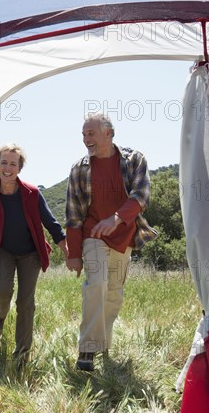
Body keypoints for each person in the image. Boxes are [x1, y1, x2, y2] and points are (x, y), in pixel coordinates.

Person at [66, 113, 157, 371]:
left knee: (114, 293)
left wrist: (116, 219)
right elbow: (73, 215)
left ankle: (103, 343)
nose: (86, 140)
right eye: (83, 135)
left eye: (91, 134)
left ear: (109, 133)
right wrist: (74, 254)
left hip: (124, 235)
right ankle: (88, 349)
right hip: (93, 235)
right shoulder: (78, 169)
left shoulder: (134, 160)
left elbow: (141, 196)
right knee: (97, 283)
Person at [0, 142, 67, 367]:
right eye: (3, 162)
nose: (8, 167)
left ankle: (22, 355)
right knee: (2, 290)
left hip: (30, 253)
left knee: (26, 302)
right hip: (2, 250)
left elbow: (51, 223)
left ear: (20, 167)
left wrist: (66, 250)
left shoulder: (32, 193)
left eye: (13, 163)